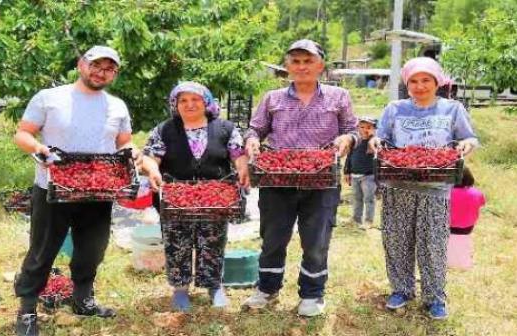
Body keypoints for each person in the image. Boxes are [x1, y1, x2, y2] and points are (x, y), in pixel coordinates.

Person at [13, 46, 134, 336]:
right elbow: (23, 133)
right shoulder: (50, 98)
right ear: (81, 64)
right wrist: (39, 148)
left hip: (98, 191)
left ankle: (83, 299)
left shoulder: (116, 105)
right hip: (54, 188)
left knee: (92, 249)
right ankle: (27, 309)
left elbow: (124, 143)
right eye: (96, 65)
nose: (100, 72)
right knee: (43, 250)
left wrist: (133, 156)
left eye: (108, 69)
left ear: (114, 74)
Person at [242, 39, 357, 317]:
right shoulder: (273, 99)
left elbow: (352, 129)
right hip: (277, 179)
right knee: (272, 237)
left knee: (316, 241)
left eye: (308, 61)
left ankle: (312, 293)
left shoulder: (338, 96)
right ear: (287, 66)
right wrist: (252, 141)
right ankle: (267, 288)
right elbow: (254, 129)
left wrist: (346, 139)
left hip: (321, 180)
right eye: (296, 61)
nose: (302, 66)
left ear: (321, 65)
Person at [368, 57, 478, 320]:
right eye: (413, 81)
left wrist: (466, 146)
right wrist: (375, 142)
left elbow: (469, 137)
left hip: (435, 186)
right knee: (397, 240)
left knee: (433, 244)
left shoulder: (451, 109)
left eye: (426, 80)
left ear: (437, 82)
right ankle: (401, 290)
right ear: (407, 84)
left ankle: (435, 297)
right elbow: (381, 137)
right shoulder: (395, 109)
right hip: (398, 184)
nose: (419, 86)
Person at [140, 81, 250, 312]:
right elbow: (150, 156)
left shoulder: (225, 128)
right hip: (176, 198)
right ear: (175, 105)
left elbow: (238, 154)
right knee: (176, 242)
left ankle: (213, 285)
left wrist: (242, 168)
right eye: (183, 101)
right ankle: (180, 289)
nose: (189, 105)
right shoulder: (165, 130)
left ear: (206, 102)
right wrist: (152, 170)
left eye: (195, 100)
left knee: (213, 240)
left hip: (215, 197)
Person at [447, 167, 485, 269]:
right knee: (463, 241)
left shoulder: (446, 193)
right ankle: (463, 258)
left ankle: (448, 258)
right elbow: (481, 203)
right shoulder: (477, 193)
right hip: (468, 227)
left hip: (448, 226)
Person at [344, 117, 378, 229]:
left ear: (374, 129)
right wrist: (347, 171)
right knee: (356, 197)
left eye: (369, 128)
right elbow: (349, 157)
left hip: (368, 175)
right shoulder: (355, 141)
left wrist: (374, 141)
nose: (364, 130)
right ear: (357, 128)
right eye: (362, 127)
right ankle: (356, 218)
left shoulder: (373, 142)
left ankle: (369, 220)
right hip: (354, 175)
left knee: (369, 198)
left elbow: (379, 154)